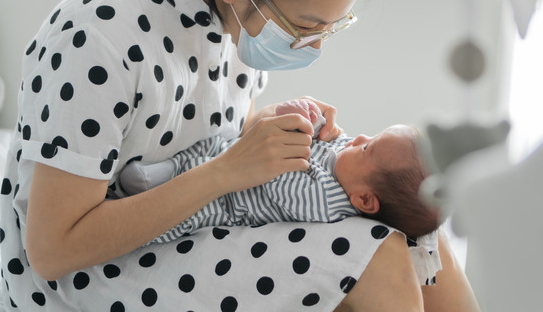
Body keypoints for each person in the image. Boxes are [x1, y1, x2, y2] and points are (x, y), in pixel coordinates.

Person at [0, 0, 479, 311]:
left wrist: (277, 134)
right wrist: (227, 170)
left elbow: (212, 138)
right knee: (380, 258)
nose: (311, 45)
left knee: (422, 239)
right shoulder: (100, 36)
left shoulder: (228, 20)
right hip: (83, 272)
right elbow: (53, 249)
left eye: (330, 29)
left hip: (193, 223)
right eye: (307, 26)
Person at [120, 99, 441, 240]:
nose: (358, 137)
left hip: (227, 201)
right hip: (230, 157)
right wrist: (306, 117)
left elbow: (281, 186)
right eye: (370, 134)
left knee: (191, 205)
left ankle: (153, 190)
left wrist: (292, 141)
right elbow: (324, 136)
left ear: (365, 201)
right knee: (210, 146)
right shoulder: (346, 164)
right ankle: (163, 171)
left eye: (367, 148)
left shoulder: (328, 202)